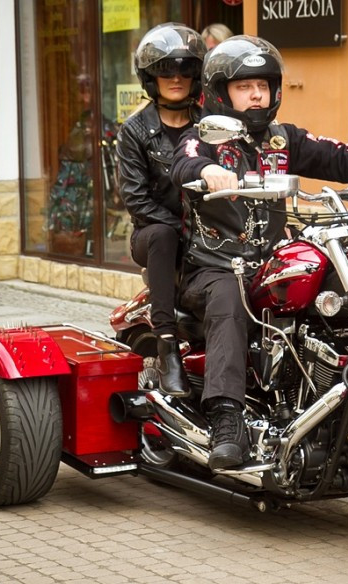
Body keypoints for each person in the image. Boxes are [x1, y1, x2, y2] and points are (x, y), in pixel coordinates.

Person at [171, 35, 348, 470]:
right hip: (217, 267)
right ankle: (226, 419)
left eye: (263, 86)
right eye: (244, 86)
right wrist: (210, 170)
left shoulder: (283, 139)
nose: (256, 95)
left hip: (270, 262)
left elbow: (338, 156)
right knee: (228, 301)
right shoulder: (204, 138)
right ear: (221, 92)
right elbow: (185, 162)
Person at [116, 23, 207, 398]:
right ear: (151, 77)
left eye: (185, 69)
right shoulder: (135, 131)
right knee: (163, 235)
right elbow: (137, 200)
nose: (176, 78)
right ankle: (167, 347)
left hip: (208, 231)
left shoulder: (210, 124)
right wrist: (186, 230)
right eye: (166, 70)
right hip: (153, 233)